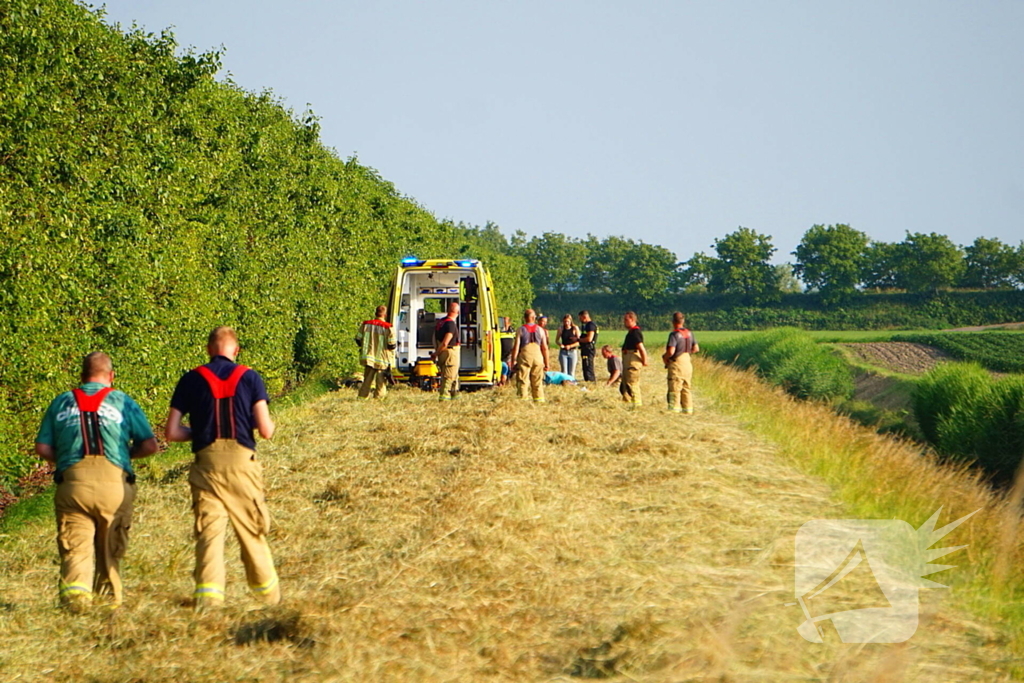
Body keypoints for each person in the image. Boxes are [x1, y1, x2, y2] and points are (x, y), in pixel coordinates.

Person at [165, 327, 280, 609]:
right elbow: (266, 430)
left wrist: (202, 432)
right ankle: (269, 598)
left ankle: (208, 602)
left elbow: (171, 432)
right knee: (251, 530)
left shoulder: (191, 379)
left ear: (208, 350)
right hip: (242, 464)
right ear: (236, 351)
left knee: (209, 534)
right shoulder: (250, 377)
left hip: (206, 464)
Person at [34, 352, 158, 609]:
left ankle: (75, 604)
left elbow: (43, 447)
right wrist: (124, 456)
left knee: (75, 550)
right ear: (111, 376)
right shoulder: (122, 401)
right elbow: (149, 445)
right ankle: (109, 605)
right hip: (114, 484)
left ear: (81, 377)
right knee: (109, 551)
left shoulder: (61, 402)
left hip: (73, 484)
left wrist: (67, 461)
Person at [355, 305, 396, 399]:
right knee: (381, 381)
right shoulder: (388, 327)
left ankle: (362, 397)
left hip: (368, 357)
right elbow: (392, 345)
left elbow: (358, 339)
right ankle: (379, 399)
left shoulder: (365, 324)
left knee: (367, 379)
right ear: (385, 315)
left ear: (375, 313)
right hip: (382, 359)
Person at [663, 312, 700, 414]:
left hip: (677, 363)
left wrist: (665, 357)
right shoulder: (690, 333)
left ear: (673, 322)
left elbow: (671, 351)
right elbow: (696, 349)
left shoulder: (674, 334)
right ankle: (688, 410)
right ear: (683, 321)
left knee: (675, 387)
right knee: (686, 387)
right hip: (687, 362)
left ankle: (674, 410)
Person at [510, 309, 549, 403]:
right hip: (538, 356)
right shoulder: (540, 330)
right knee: (537, 381)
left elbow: (516, 347)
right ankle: (539, 400)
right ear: (533, 317)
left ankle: (522, 400)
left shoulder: (520, 329)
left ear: (525, 318)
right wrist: (547, 363)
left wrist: (513, 360)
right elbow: (545, 347)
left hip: (525, 356)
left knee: (523, 380)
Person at [433, 301, 461, 401]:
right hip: (450, 352)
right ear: (457, 313)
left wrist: (437, 352)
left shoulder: (441, 322)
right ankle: (444, 399)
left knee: (454, 376)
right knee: (449, 377)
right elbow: (445, 342)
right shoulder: (450, 324)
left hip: (443, 353)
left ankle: (455, 397)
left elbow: (435, 338)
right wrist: (436, 353)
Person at [620, 311, 648, 406]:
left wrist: (645, 361)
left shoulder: (635, 332)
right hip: (628, 361)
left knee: (632, 384)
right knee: (626, 385)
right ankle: (628, 403)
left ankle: (637, 405)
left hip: (632, 362)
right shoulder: (631, 332)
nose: (624, 322)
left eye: (626, 320)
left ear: (632, 319)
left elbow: (641, 348)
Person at [578, 310, 599, 382]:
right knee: (585, 367)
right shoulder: (589, 325)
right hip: (586, 349)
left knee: (588, 367)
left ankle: (590, 382)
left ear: (584, 317)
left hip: (588, 349)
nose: (580, 320)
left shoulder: (590, 325)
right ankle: (588, 381)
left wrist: (578, 340)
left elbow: (589, 339)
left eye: (580, 318)